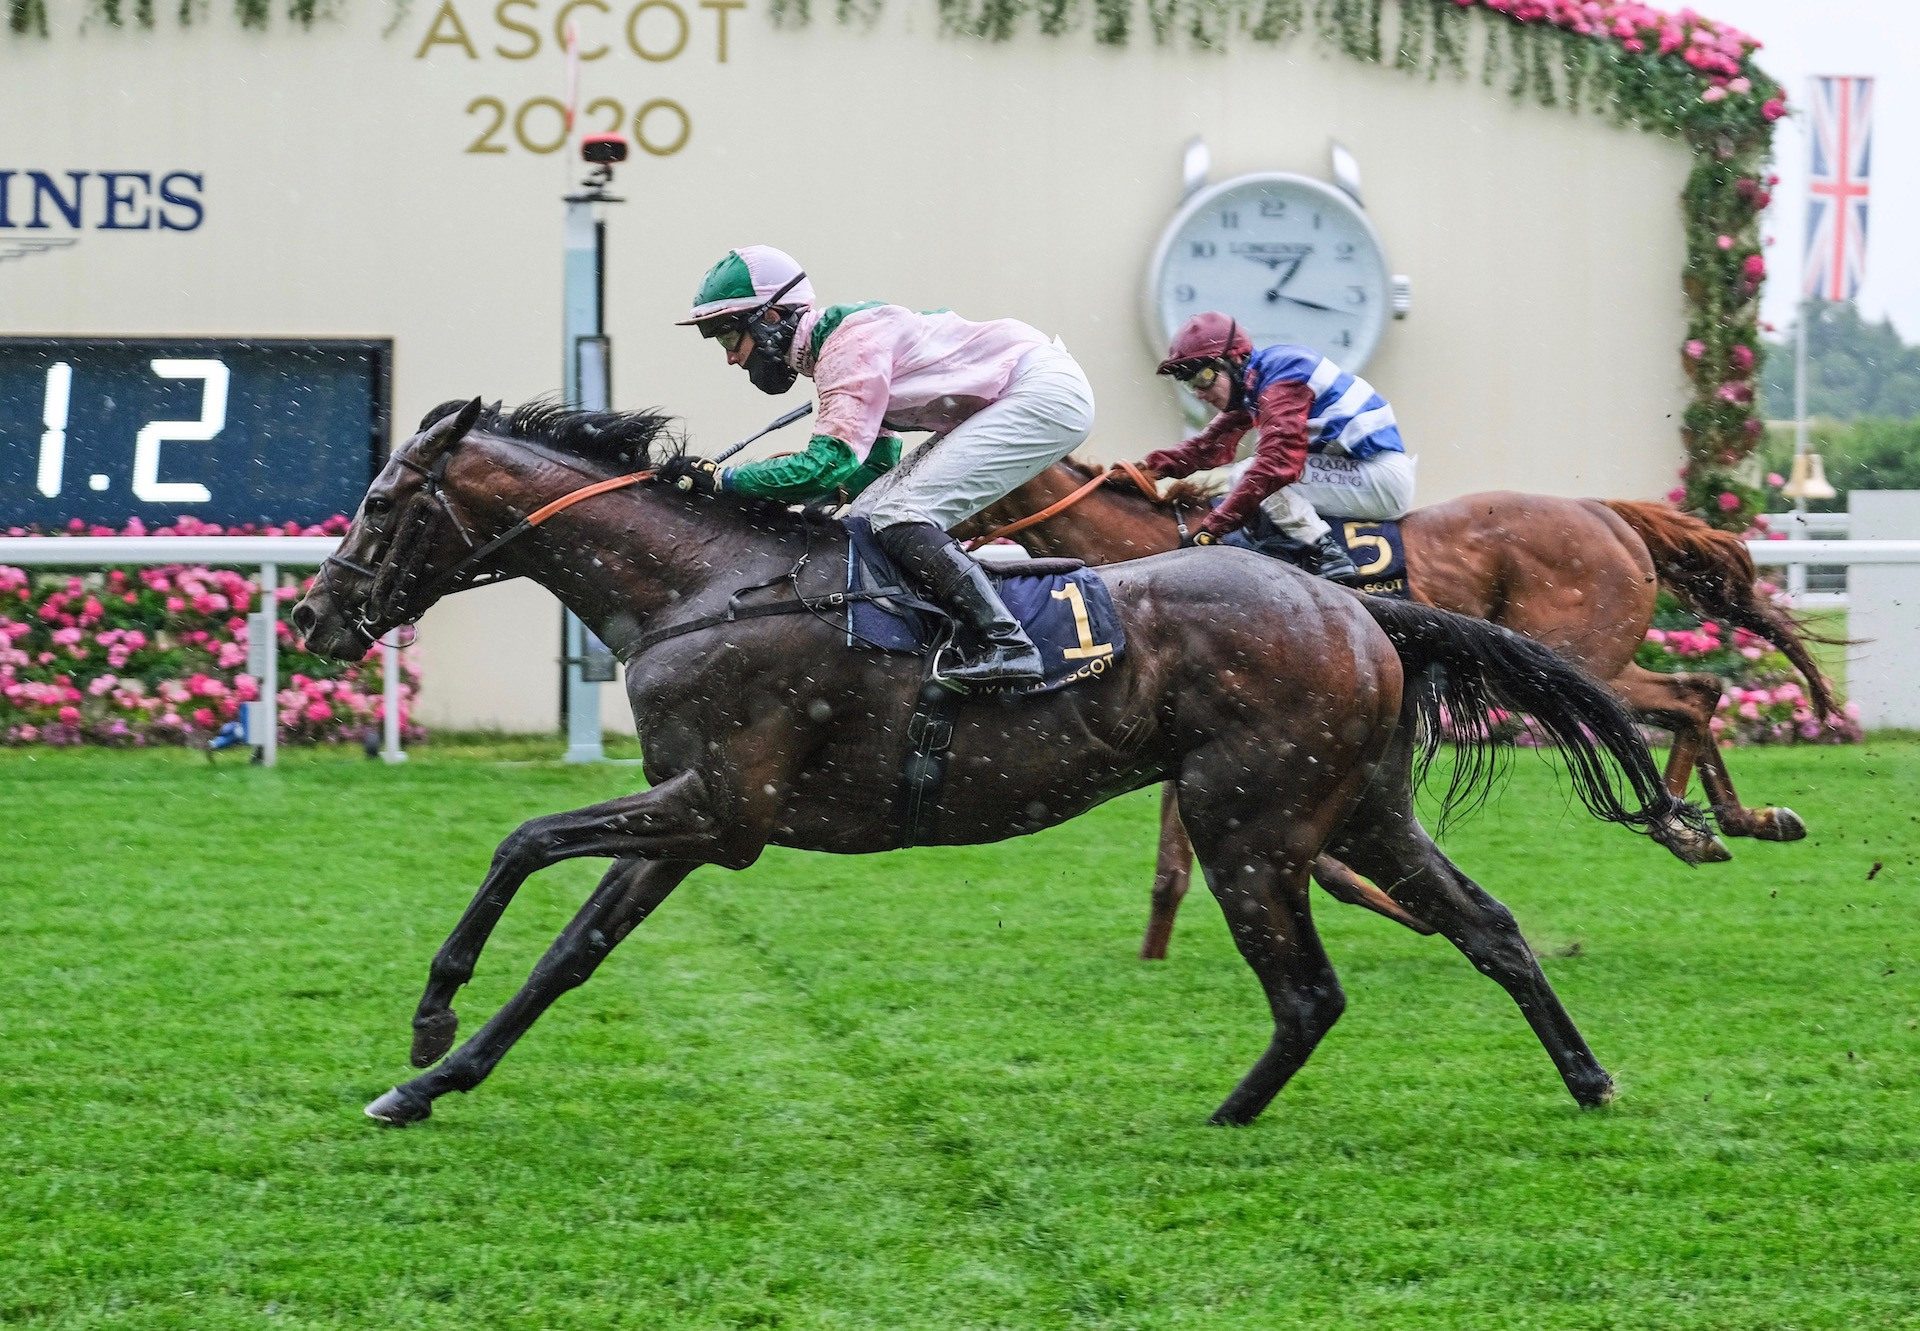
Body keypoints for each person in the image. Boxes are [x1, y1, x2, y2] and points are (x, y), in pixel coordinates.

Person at [669, 246, 1096, 688]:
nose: (731, 358)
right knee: (868, 514)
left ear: (772, 318)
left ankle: (1008, 645)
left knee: (899, 515)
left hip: (1041, 391)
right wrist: (794, 489)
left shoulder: (848, 345)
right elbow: (872, 468)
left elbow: (827, 464)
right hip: (1030, 389)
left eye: (728, 338)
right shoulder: (834, 351)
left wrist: (726, 481)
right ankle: (944, 634)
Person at [1127, 311, 1416, 585]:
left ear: (1235, 361)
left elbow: (1277, 464)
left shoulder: (1282, 377)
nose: (1200, 393)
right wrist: (1141, 471)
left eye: (1203, 377)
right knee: (1245, 479)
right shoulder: (1258, 384)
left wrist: (1212, 528)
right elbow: (1206, 449)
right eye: (1191, 384)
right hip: (1361, 474)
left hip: (1381, 478)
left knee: (1245, 475)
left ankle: (1326, 553)